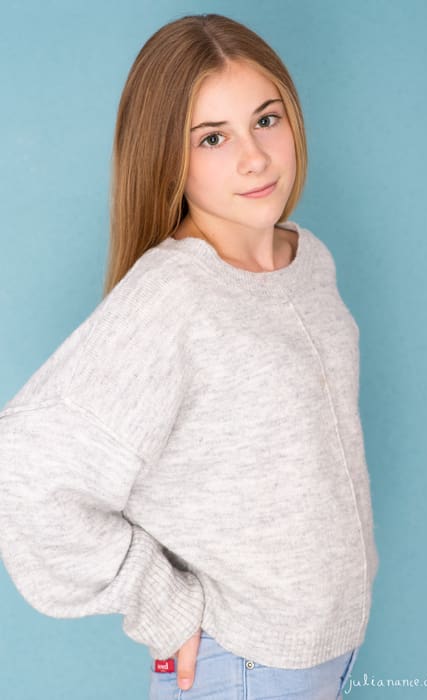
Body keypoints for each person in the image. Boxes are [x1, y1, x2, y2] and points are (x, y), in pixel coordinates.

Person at [0, 13, 379, 700]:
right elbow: (20, 474)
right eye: (212, 138)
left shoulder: (308, 256)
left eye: (265, 120)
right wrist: (163, 607)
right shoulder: (173, 296)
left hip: (320, 654)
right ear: (166, 155)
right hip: (244, 669)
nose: (254, 157)